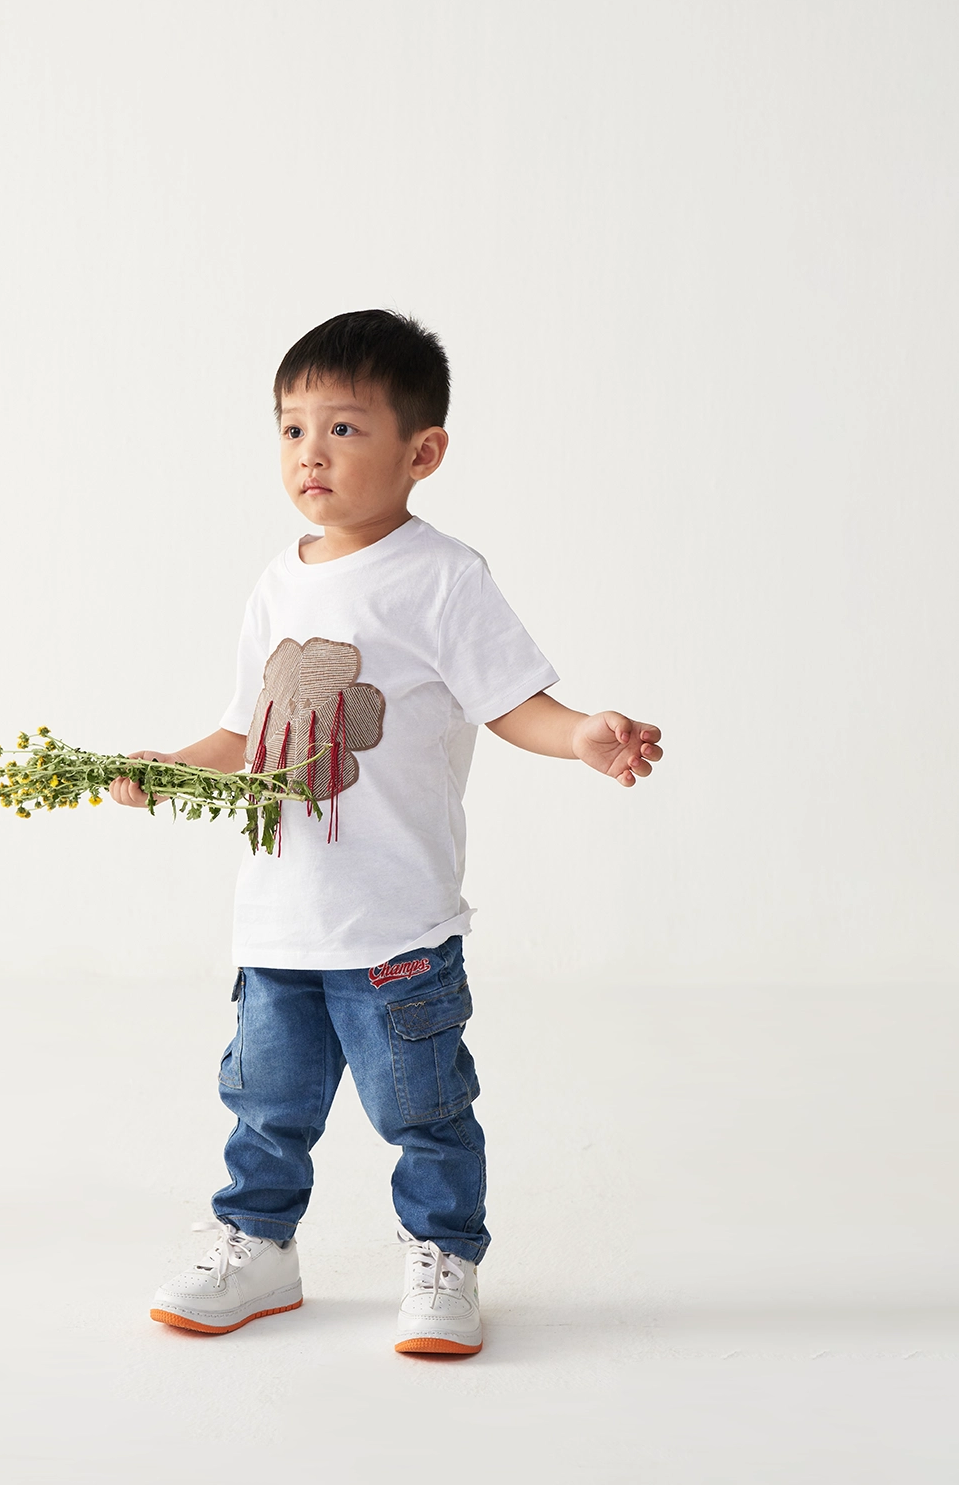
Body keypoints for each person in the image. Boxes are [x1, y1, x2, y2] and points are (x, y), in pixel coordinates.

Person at [109, 309, 664, 1355]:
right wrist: (165, 770)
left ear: (423, 453)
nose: (309, 453)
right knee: (264, 1102)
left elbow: (510, 703)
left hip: (394, 922)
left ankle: (443, 1253)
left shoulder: (442, 576)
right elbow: (243, 730)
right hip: (279, 918)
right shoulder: (276, 582)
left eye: (343, 429)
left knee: (423, 1107)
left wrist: (580, 732)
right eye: (289, 429)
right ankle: (258, 1247)